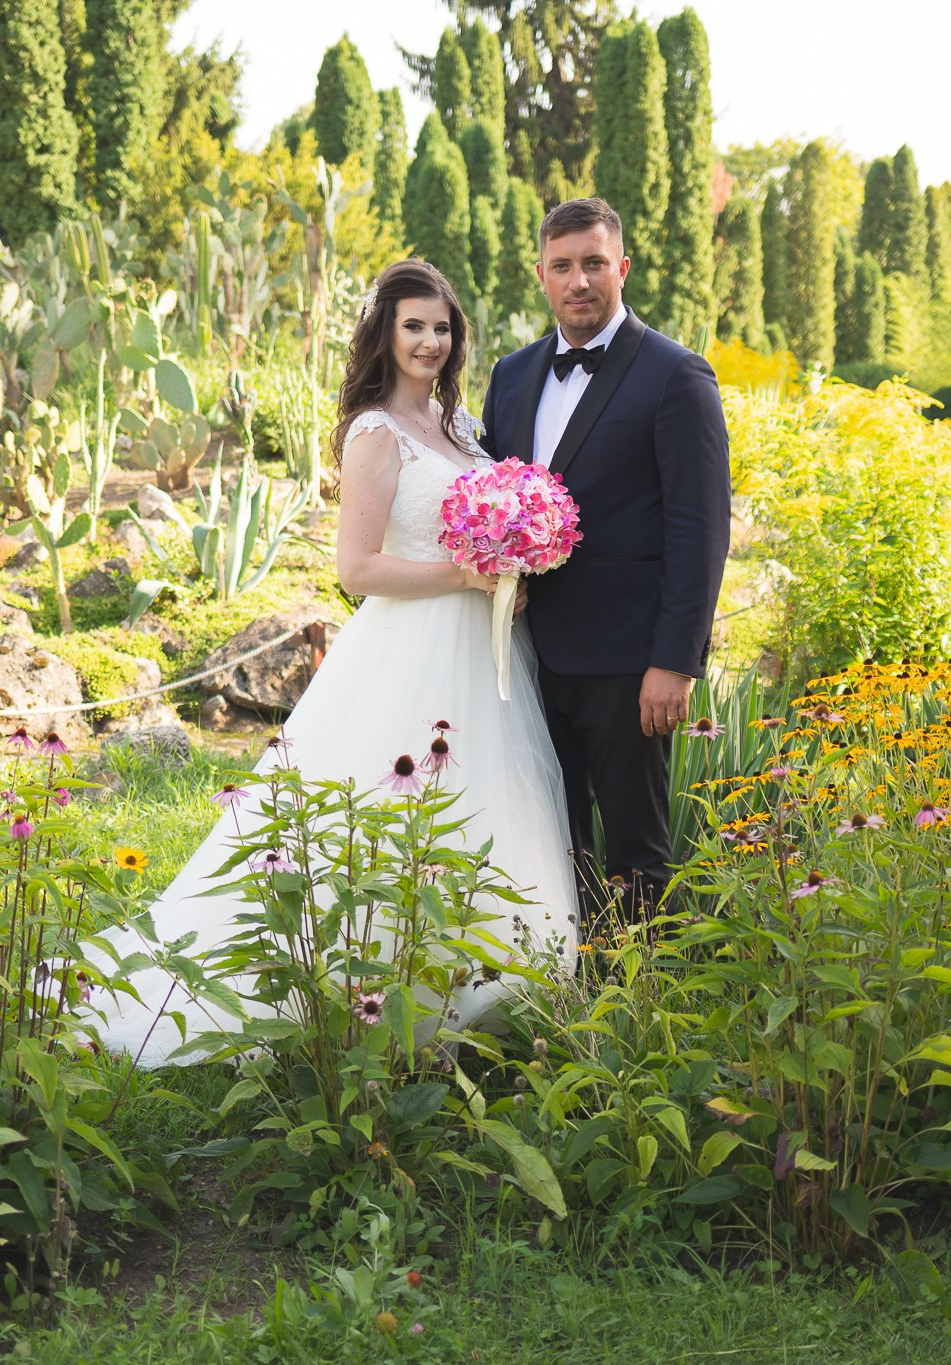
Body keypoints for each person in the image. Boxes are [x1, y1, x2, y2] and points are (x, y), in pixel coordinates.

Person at [91, 259, 579, 1065]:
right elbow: (356, 569)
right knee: (397, 818)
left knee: (492, 800)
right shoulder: (374, 432)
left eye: (442, 326)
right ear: (386, 334)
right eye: (414, 325)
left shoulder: (458, 429)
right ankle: (377, 993)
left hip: (486, 646)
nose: (430, 340)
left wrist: (511, 572)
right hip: (411, 647)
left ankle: (488, 984)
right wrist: (462, 575)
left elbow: (482, 529)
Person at [478, 197, 732, 932]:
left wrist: (676, 662)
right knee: (552, 845)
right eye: (563, 266)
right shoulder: (513, 375)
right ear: (541, 275)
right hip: (528, 660)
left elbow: (701, 530)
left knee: (636, 855)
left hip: (630, 666)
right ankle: (566, 994)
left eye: (594, 263)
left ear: (621, 267)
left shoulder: (676, 375)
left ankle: (644, 1011)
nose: (579, 280)